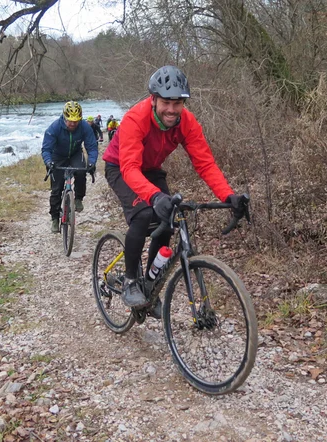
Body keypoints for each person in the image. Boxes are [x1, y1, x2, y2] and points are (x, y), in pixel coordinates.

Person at [102, 65, 245, 319]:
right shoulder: (136, 119)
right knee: (144, 214)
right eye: (166, 102)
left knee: (168, 220)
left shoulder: (187, 123)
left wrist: (228, 196)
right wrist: (154, 196)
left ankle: (149, 285)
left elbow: (205, 163)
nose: (171, 109)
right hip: (121, 167)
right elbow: (130, 168)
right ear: (154, 99)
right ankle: (131, 281)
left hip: (151, 169)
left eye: (177, 103)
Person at [42, 101, 98, 233]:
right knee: (56, 189)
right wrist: (49, 162)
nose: (73, 124)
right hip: (57, 156)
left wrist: (92, 162)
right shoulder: (54, 127)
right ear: (64, 117)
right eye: (70, 121)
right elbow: (46, 149)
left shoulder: (84, 127)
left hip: (75, 154)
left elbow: (91, 146)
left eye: (76, 121)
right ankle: (55, 218)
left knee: (80, 172)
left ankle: (78, 198)